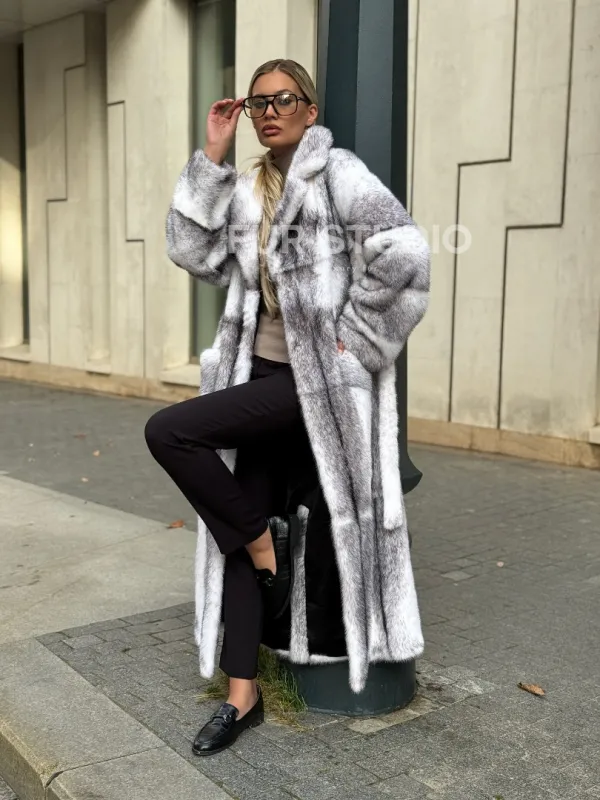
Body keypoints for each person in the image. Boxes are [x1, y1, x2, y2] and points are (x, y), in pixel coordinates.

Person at [145, 58, 430, 757]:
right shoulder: (248, 189)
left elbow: (407, 254)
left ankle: (260, 542)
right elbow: (194, 253)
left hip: (316, 386)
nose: (269, 112)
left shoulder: (340, 176)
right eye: (258, 104)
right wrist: (211, 160)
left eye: (283, 100)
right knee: (240, 521)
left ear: (309, 108)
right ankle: (241, 696)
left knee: (170, 431)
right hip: (262, 377)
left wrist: (353, 344)